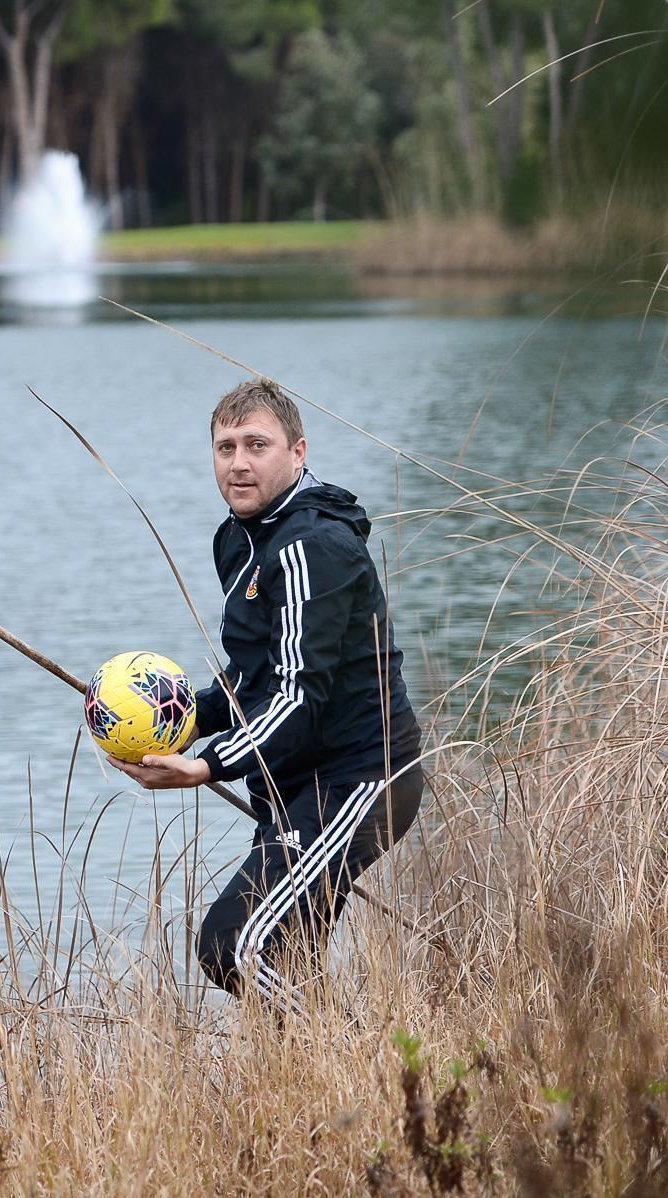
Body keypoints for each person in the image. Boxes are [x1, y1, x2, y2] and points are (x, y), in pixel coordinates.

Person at [106, 377, 423, 1017]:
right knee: (286, 957)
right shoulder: (239, 539)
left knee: (235, 946)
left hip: (362, 777)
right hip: (293, 786)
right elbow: (257, 677)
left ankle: (356, 1054)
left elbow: (298, 697)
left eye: (257, 445)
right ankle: (343, 1075)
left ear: (298, 452)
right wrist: (180, 717)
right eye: (225, 447)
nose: (239, 463)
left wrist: (207, 765)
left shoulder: (314, 548)